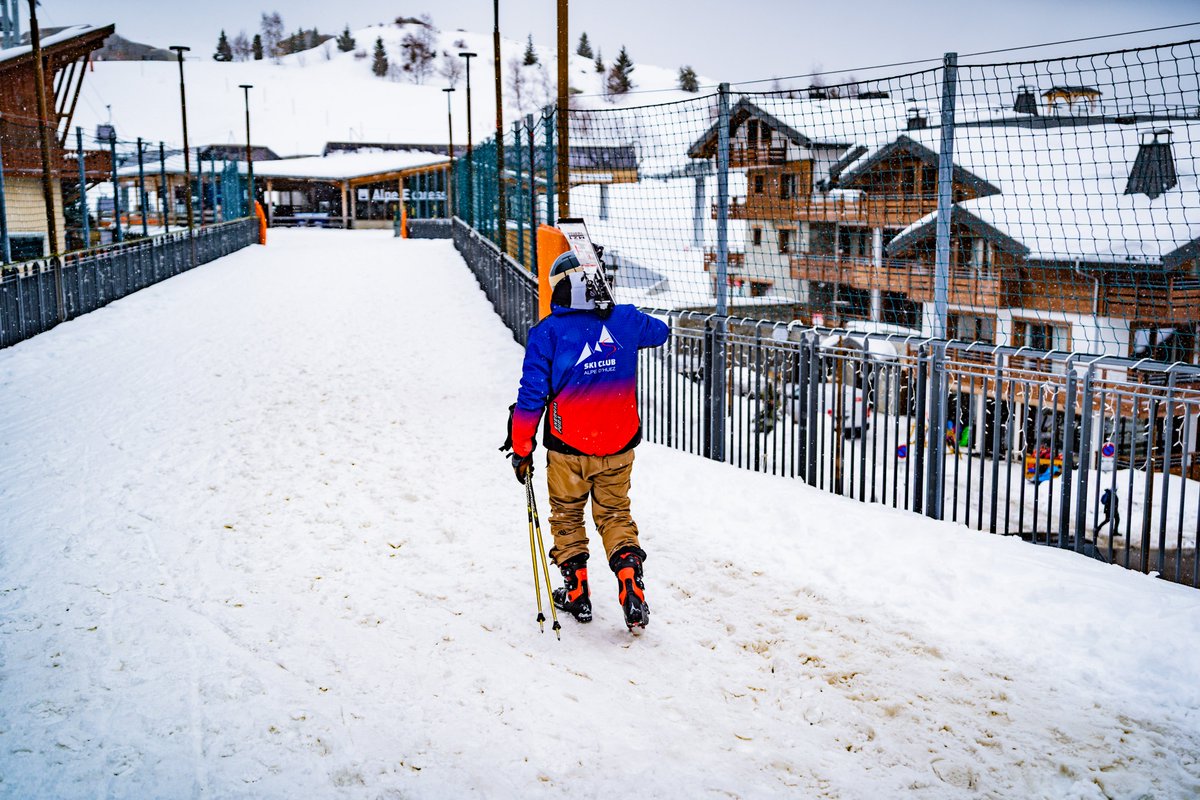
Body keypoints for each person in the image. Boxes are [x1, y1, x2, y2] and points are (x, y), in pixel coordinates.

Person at [503, 249, 668, 630]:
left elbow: (531, 399)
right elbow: (660, 331)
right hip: (619, 445)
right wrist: (615, 312)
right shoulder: (625, 320)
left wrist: (522, 448)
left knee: (566, 515)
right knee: (614, 515)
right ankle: (630, 582)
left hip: (568, 449)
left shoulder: (547, 333)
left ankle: (577, 592)